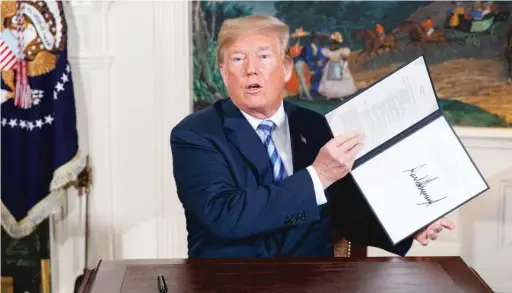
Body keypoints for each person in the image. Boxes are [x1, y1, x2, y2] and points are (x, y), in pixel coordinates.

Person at [170, 15, 455, 258]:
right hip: (230, 282)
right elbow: (225, 216)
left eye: (264, 56)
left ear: (285, 69)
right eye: (238, 59)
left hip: (313, 277)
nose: (251, 69)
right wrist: (317, 176)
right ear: (223, 71)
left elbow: (343, 208)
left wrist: (407, 225)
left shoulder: (314, 125)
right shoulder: (195, 134)